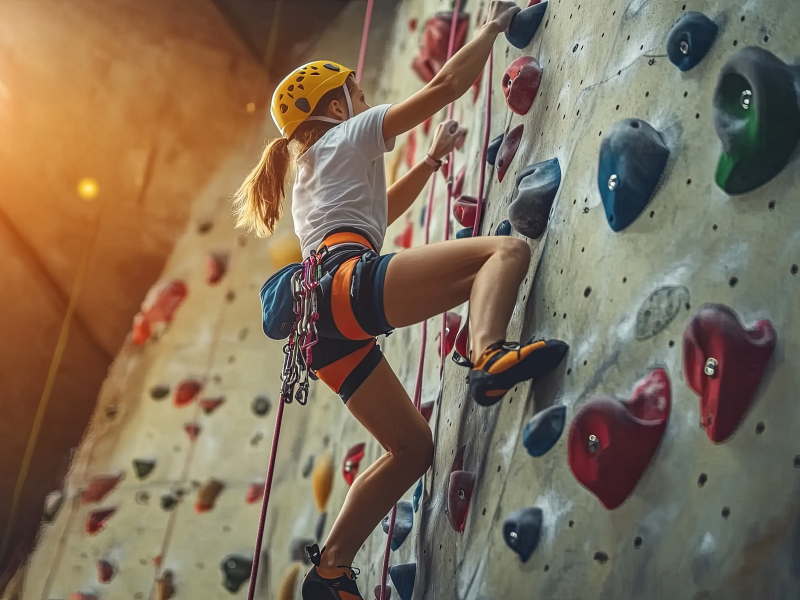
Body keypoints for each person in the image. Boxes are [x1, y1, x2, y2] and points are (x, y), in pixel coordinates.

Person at [233, 2, 568, 598]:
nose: (363, 104)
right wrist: (492, 28)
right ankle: (489, 355)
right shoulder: (349, 133)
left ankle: (330, 569)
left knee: (412, 449)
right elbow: (445, 85)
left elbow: (381, 209)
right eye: (356, 96)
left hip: (322, 328)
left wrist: (436, 160)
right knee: (505, 255)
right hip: (345, 289)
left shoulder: (313, 170)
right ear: (336, 107)